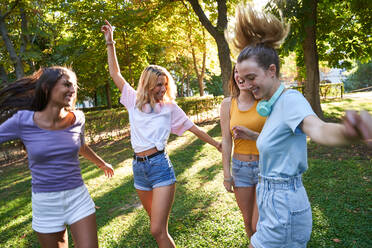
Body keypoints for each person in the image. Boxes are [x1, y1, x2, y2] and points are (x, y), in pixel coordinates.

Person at [230, 4, 372, 248]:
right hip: (271, 201)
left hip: (284, 207)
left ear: (271, 70)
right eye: (242, 80)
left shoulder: (291, 100)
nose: (247, 85)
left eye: (252, 78)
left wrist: (350, 133)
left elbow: (318, 129)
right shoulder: (272, 106)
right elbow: (280, 139)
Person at [101, 20, 221, 248]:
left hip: (159, 167)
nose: (162, 89)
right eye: (158, 84)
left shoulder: (169, 108)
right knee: (156, 229)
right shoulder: (132, 100)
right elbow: (114, 73)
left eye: (164, 84)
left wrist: (217, 144)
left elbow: (193, 128)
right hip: (138, 168)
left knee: (157, 229)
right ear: (146, 84)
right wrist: (110, 42)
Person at [0, 66, 114, 248]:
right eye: (67, 84)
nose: (73, 90)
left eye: (74, 86)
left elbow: (81, 146)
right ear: (47, 88)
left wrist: (101, 164)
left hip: (78, 197)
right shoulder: (23, 121)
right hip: (46, 204)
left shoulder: (78, 118)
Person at [220, 65, 266, 239]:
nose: (240, 76)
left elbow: (275, 136)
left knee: (258, 223)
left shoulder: (265, 102)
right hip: (241, 169)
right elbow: (226, 139)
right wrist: (226, 173)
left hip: (264, 165)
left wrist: (254, 136)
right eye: (236, 72)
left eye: (245, 73)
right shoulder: (227, 104)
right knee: (248, 222)